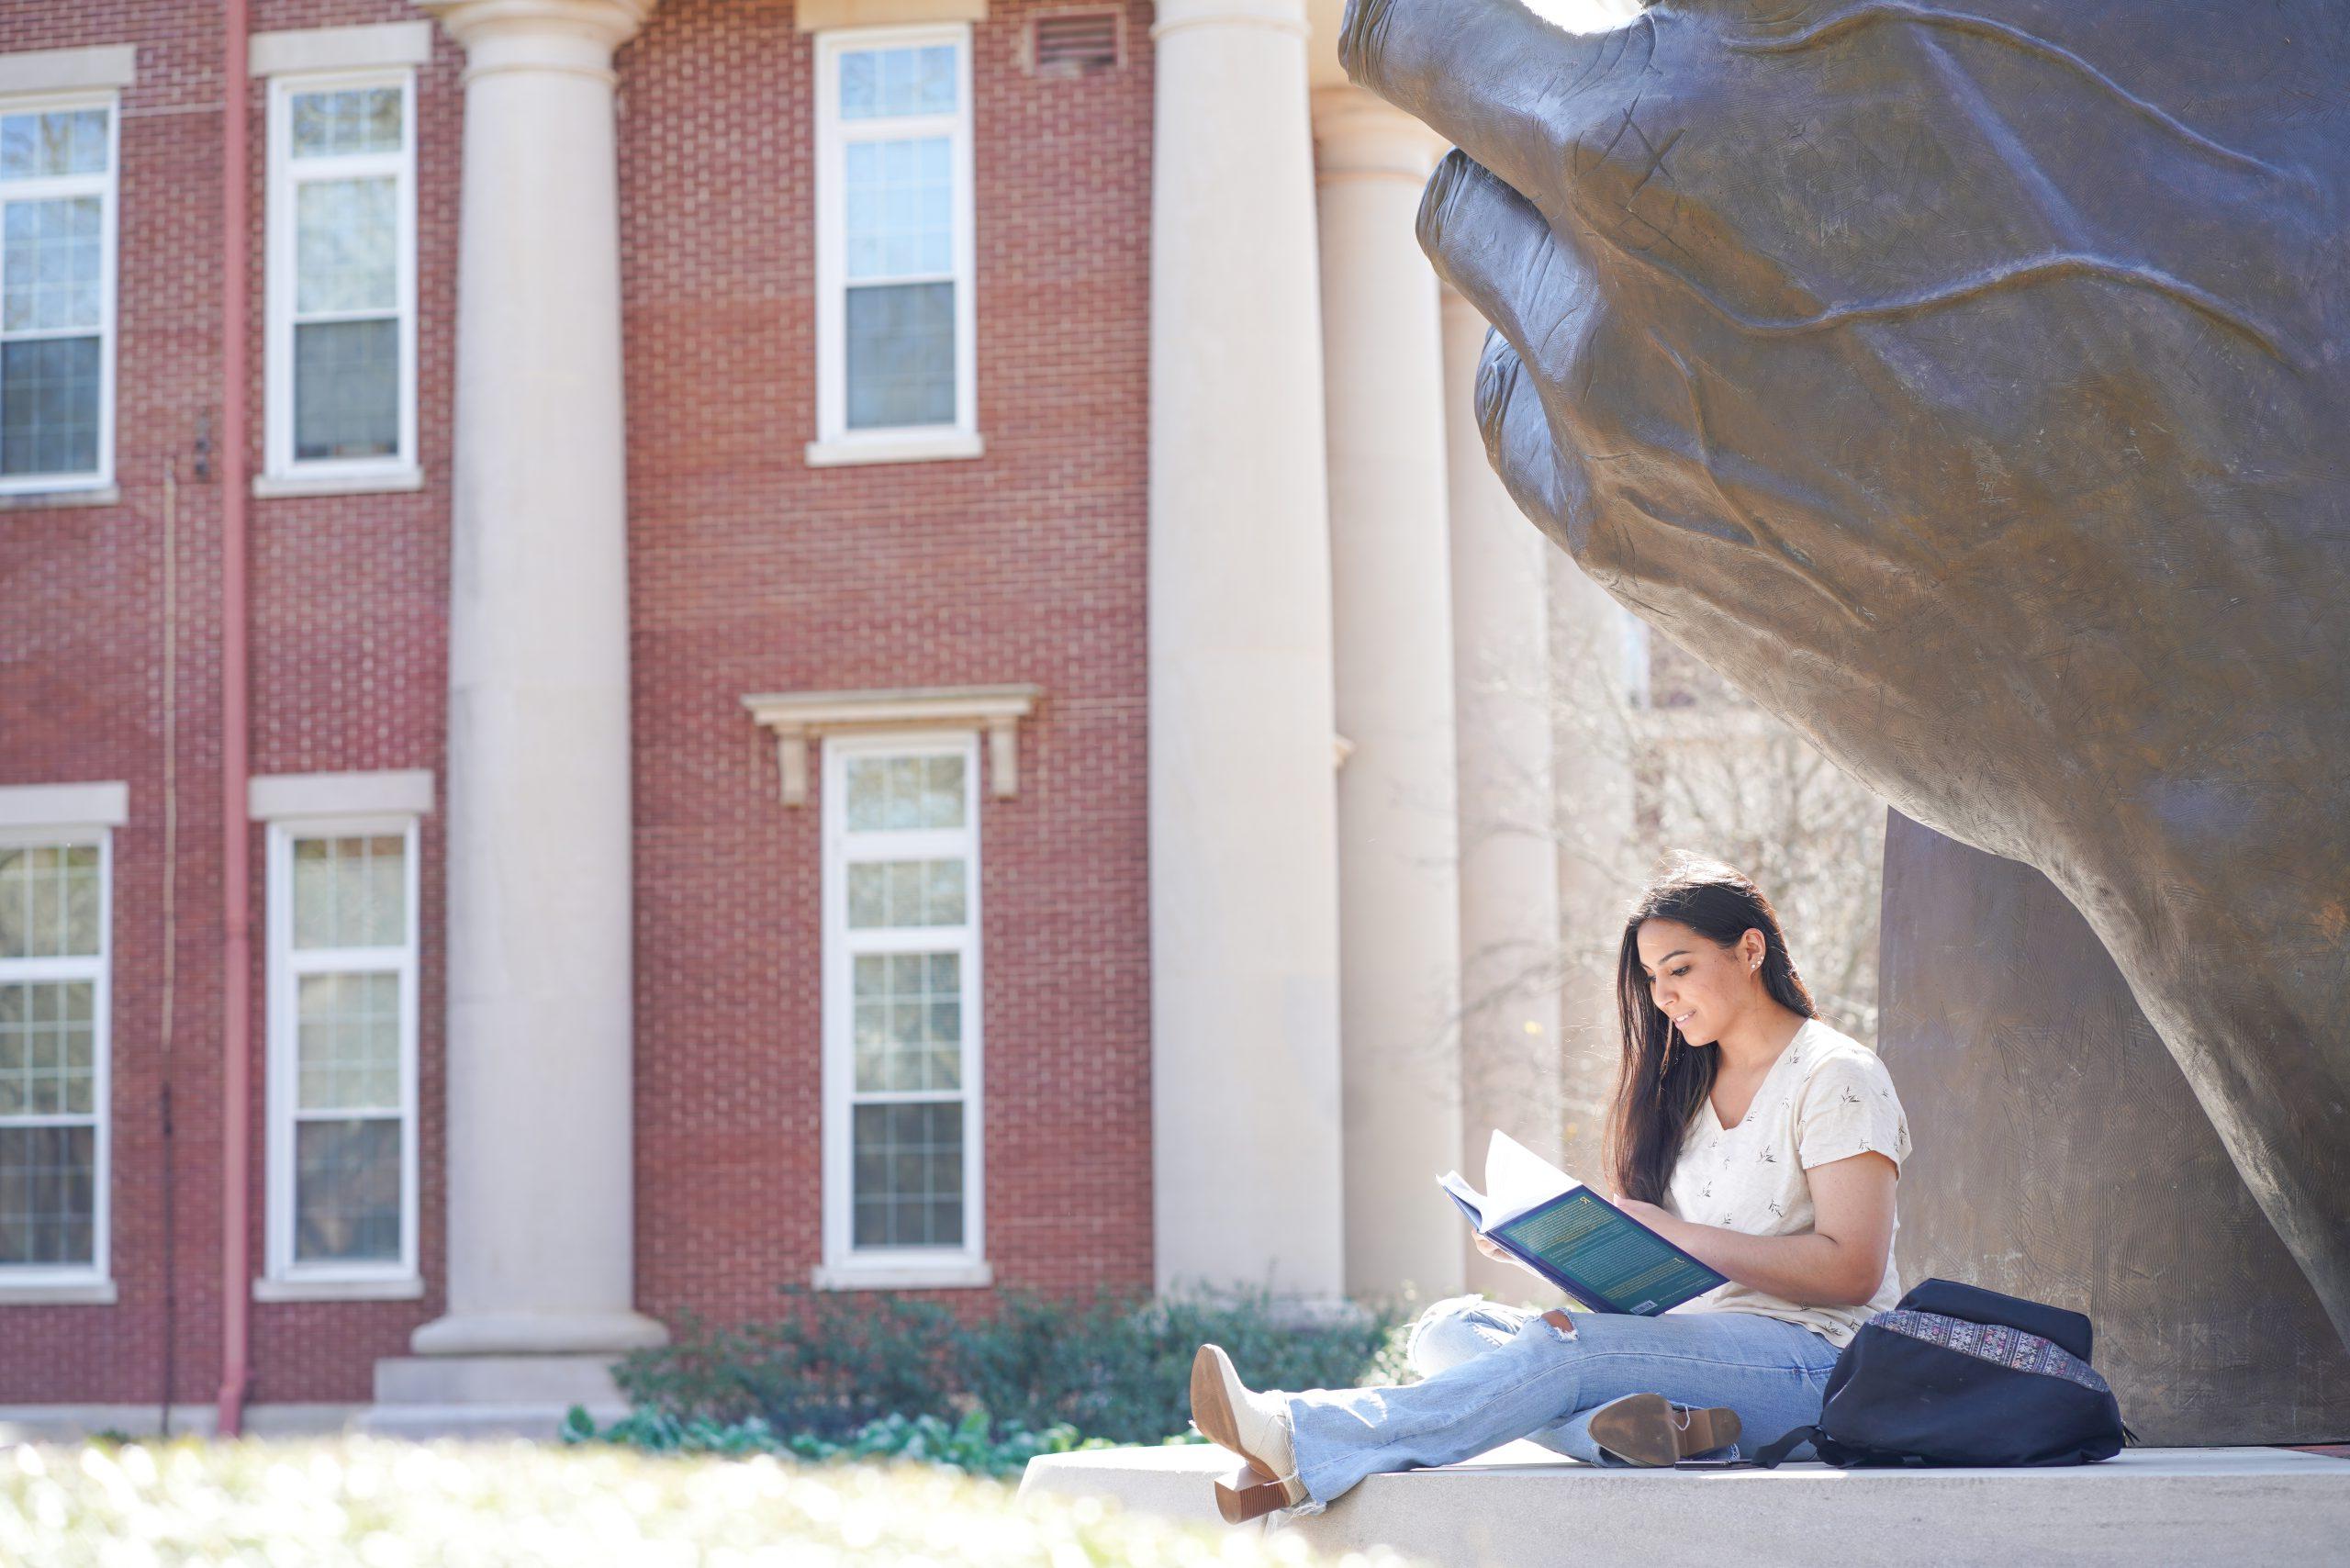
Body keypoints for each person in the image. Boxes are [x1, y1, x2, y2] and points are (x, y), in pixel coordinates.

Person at [1189, 853, 1913, 1522]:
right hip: (1696, 1347)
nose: (1662, 997)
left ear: (1750, 950)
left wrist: (1679, 1237)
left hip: (1816, 1361)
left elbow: (1853, 1270)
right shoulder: (1684, 1089)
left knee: (1567, 1350)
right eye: (1653, 978)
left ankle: (1299, 1434)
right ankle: (1633, 1432)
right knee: (1449, 1331)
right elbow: (1669, 1275)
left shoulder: (1836, 1076)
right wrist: (1554, 1247)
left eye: (1680, 969)